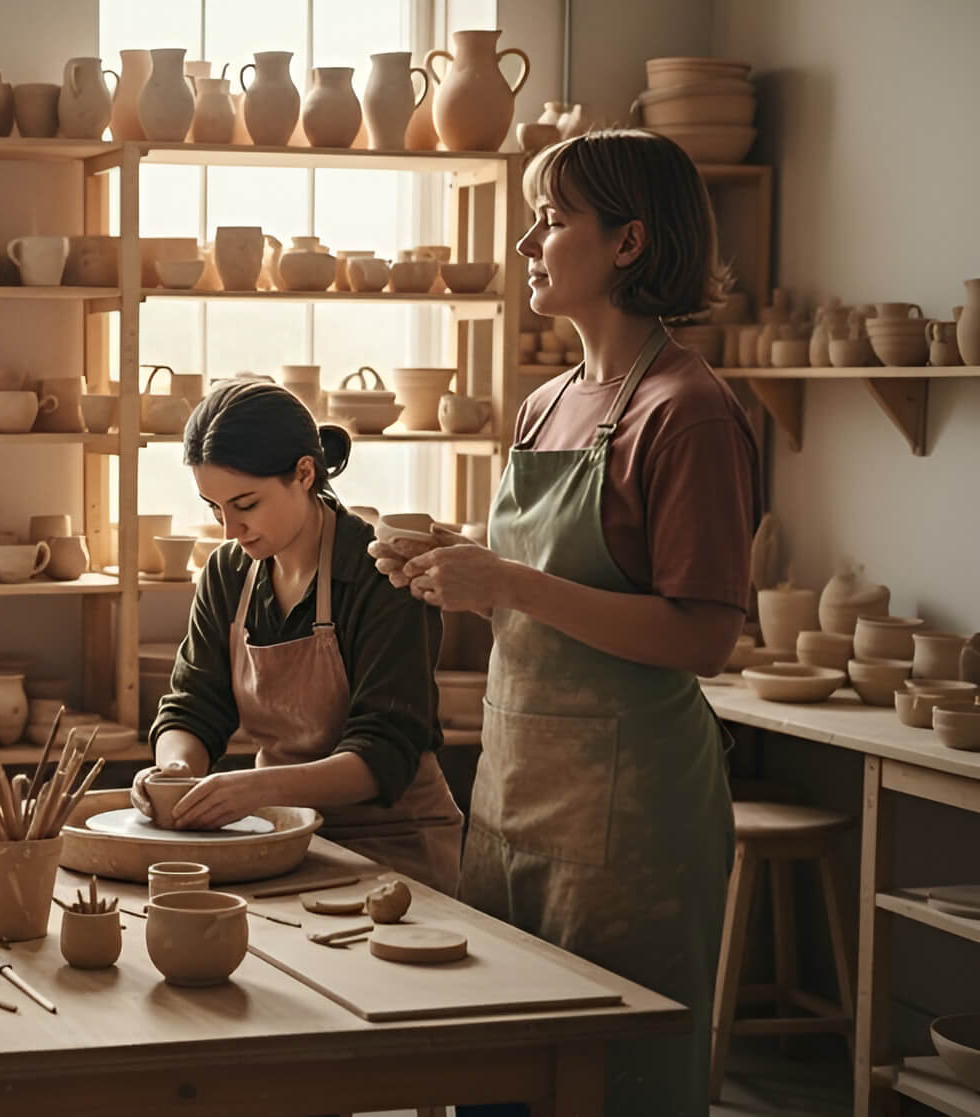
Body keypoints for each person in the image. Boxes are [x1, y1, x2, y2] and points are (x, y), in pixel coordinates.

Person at [373, 130, 757, 1115]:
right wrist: (447, 560)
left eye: (549, 220)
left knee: (607, 1083)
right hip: (511, 791)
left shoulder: (688, 410)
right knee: (495, 1068)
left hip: (630, 818)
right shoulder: (544, 405)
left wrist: (502, 581)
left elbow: (701, 635)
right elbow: (543, 573)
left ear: (627, 243)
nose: (524, 244)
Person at [139, 380, 464, 892]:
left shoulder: (380, 573)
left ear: (304, 473)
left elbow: (385, 750)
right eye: (214, 508)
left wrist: (253, 789)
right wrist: (176, 770)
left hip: (394, 846)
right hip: (283, 838)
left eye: (245, 504)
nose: (230, 530)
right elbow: (194, 707)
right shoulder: (229, 572)